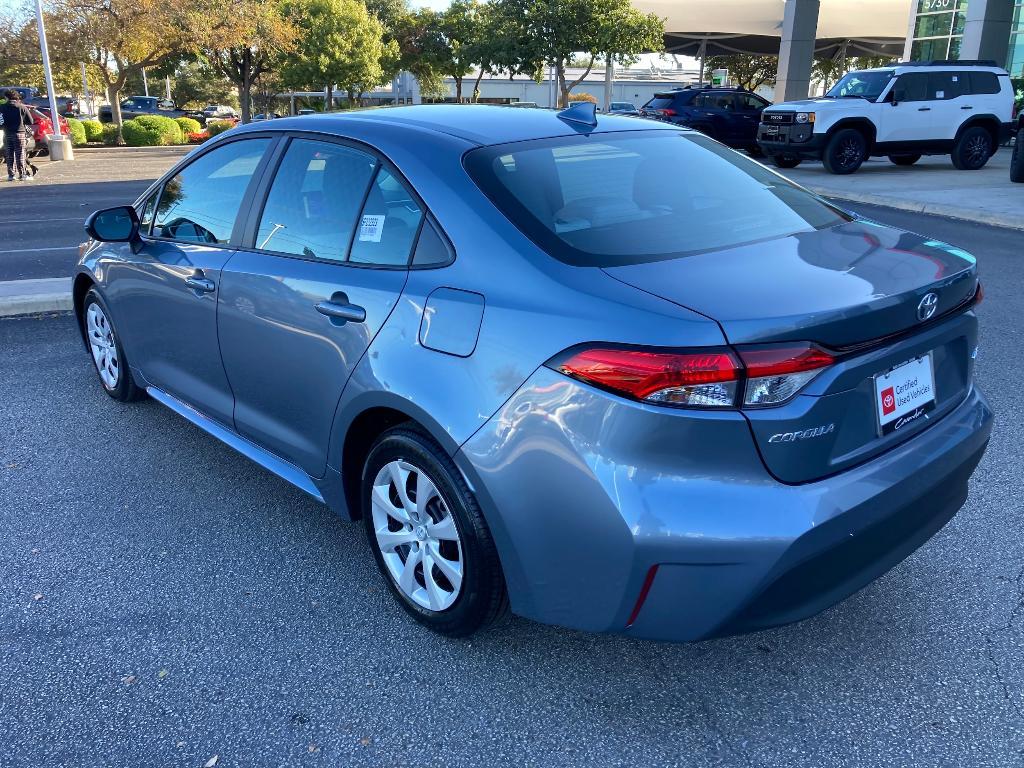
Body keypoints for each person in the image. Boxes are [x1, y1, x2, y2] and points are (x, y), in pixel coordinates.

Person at [0, 89, 35, 181]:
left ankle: (11, 175)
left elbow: (0, 122)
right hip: (20, 133)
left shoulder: (1, 107)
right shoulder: (22, 107)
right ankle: (22, 174)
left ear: (6, 97)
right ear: (16, 97)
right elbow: (30, 121)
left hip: (7, 133)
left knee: (9, 154)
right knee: (20, 153)